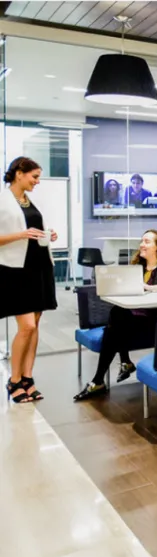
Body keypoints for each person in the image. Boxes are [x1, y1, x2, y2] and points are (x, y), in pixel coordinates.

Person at [74, 229, 157, 401]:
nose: (142, 245)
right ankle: (105, 376)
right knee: (116, 318)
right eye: (142, 241)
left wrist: (151, 288)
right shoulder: (137, 267)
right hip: (132, 318)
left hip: (151, 321)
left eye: (147, 241)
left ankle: (110, 373)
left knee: (114, 325)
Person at [0, 157, 57, 403]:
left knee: (35, 325)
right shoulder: (2, 200)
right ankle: (14, 380)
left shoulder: (31, 200)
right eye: (34, 176)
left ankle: (27, 378)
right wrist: (21, 234)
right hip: (16, 270)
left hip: (40, 266)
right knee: (27, 327)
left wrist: (49, 234)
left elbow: (37, 229)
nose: (37, 181)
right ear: (19, 173)